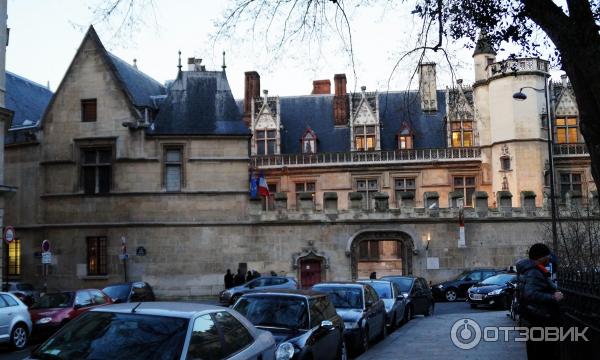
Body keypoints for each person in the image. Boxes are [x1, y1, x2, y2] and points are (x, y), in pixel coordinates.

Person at [516, 243, 563, 360]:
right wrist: (554, 297)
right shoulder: (533, 272)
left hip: (533, 318)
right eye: (547, 255)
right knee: (543, 353)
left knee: (536, 352)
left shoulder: (529, 269)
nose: (549, 258)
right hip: (539, 319)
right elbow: (530, 293)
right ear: (540, 257)